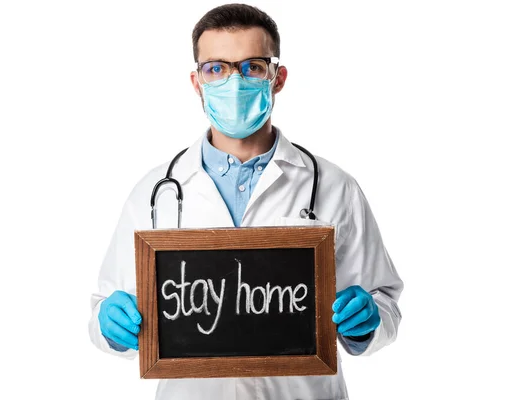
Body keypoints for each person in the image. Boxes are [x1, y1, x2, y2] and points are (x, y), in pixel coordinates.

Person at [88, 3, 404, 399]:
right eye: (216, 68)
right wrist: (109, 325)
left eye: (252, 66)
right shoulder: (157, 190)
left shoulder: (335, 187)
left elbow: (385, 301)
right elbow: (105, 306)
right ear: (196, 81)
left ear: (278, 77)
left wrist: (369, 322)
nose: (233, 82)